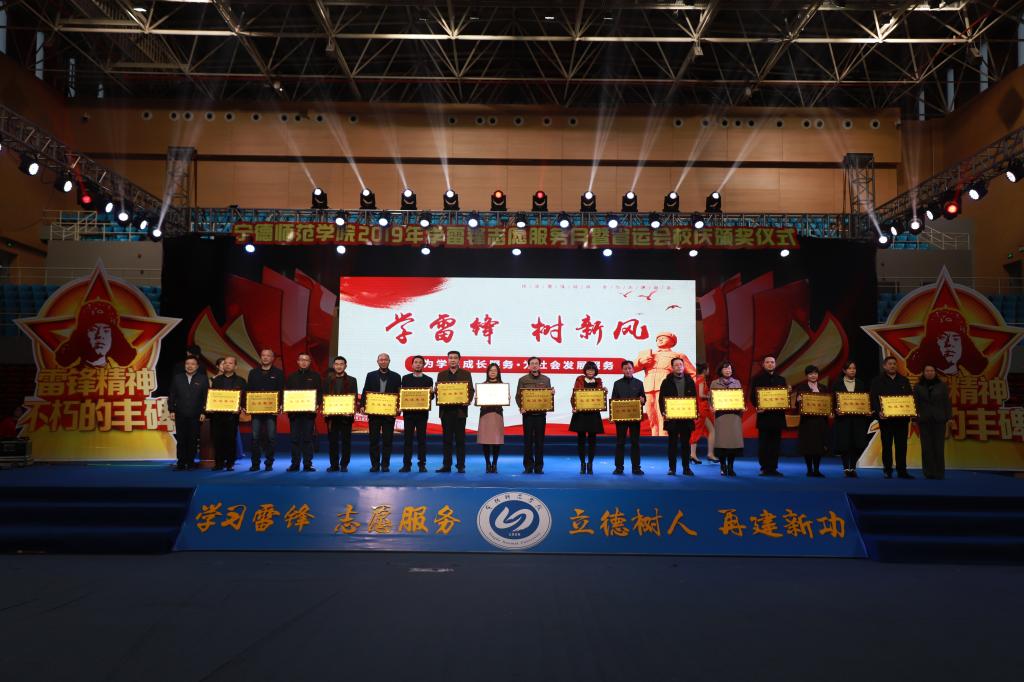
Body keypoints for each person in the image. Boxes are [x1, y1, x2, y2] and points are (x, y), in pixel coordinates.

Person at [54, 300, 137, 368]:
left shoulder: (120, 376)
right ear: (82, 336)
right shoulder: (72, 376)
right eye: (93, 330)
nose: (100, 335)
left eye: (106, 331)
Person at [906, 307, 986, 376]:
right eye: (942, 338)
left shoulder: (967, 378)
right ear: (931, 344)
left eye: (955, 338)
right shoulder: (925, 379)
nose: (949, 344)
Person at [870, 355, 914, 479]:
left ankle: (902, 470)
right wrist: (878, 412)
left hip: (901, 420)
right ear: (884, 366)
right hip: (886, 420)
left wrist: (910, 411)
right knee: (887, 445)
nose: (892, 366)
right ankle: (887, 470)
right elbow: (873, 399)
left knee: (902, 446)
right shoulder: (877, 381)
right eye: (890, 364)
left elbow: (910, 398)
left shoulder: (904, 380)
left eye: (894, 364)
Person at [636, 331, 686, 436]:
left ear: (672, 342)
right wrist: (640, 362)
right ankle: (655, 438)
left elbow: (692, 373)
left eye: (664, 337)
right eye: (658, 338)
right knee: (652, 416)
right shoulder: (648, 354)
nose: (660, 339)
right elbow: (632, 368)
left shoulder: (677, 355)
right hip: (648, 387)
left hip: (666, 387)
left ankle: (664, 439)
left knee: (663, 415)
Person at [435, 350, 474, 473]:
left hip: (460, 411)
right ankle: (446, 465)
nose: (452, 360)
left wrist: (468, 400)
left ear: (459, 360)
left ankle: (460, 465)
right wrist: (437, 392)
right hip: (446, 412)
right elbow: (439, 391)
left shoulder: (466, 374)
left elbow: (471, 390)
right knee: (447, 440)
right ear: (447, 360)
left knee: (460, 440)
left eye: (455, 358)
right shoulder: (441, 374)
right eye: (450, 357)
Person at [362, 352, 401, 472]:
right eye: (381, 360)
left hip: (389, 414)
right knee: (374, 440)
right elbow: (365, 390)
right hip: (374, 413)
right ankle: (375, 465)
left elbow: (399, 394)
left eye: (385, 360)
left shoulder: (396, 376)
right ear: (377, 361)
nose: (383, 361)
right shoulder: (370, 375)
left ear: (389, 361)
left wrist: (399, 407)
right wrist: (363, 405)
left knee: (387, 440)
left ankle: (385, 465)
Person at [245, 348, 284, 471]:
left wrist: (281, 404)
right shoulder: (253, 372)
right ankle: (255, 463)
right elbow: (248, 390)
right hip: (256, 410)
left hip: (271, 410)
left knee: (271, 437)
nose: (265, 357)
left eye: (268, 355)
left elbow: (281, 390)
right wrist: (247, 405)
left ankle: (269, 463)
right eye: (263, 355)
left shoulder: (278, 373)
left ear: (272, 358)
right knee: (255, 437)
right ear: (261, 357)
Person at [659, 356, 698, 476]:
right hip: (672, 419)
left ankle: (686, 468)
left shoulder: (690, 381)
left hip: (686, 418)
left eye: (680, 365)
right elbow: (661, 399)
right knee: (672, 445)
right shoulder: (666, 382)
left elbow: (694, 399)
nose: (679, 367)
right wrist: (664, 412)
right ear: (672, 367)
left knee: (686, 444)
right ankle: (672, 468)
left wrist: (695, 411)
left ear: (683, 366)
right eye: (676, 365)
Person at [168, 356, 208, 470]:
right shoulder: (177, 378)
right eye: (187, 364)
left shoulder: (203, 379)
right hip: (180, 413)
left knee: (193, 439)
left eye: (193, 364)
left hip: (196, 414)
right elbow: (172, 395)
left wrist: (204, 412)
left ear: (197, 366)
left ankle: (190, 462)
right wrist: (171, 410)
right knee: (181, 439)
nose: (190, 366)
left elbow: (206, 397)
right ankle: (181, 462)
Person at [750, 354, 788, 476]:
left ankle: (773, 468)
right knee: (764, 444)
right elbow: (752, 397)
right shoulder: (758, 379)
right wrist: (757, 406)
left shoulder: (781, 380)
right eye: (767, 362)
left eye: (772, 362)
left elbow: (784, 398)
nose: (770, 364)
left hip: (777, 417)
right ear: (763, 364)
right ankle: (764, 467)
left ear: (775, 364)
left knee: (776, 444)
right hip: (764, 417)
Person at [914, 364, 953, 479]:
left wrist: (949, 417)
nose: (929, 373)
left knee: (939, 447)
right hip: (924, 419)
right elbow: (915, 403)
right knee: (926, 447)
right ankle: (928, 472)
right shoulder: (918, 386)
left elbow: (946, 402)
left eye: (931, 370)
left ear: (935, 372)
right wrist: (914, 418)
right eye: (927, 371)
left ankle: (939, 472)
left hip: (939, 419)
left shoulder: (942, 386)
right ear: (923, 372)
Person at [285, 352, 321, 472]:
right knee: (294, 439)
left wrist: (317, 403)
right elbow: (287, 394)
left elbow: (319, 393)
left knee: (307, 439)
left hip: (309, 414)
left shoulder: (315, 376)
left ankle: (307, 464)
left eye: (306, 360)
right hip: (294, 414)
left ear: (310, 362)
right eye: (301, 360)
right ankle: (295, 464)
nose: (304, 362)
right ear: (298, 362)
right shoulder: (291, 377)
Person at [516, 356, 553, 474]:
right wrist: (521, 407)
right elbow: (518, 396)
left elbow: (547, 397)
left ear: (539, 365)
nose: (534, 365)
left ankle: (538, 467)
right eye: (532, 363)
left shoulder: (546, 379)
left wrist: (551, 394)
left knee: (539, 441)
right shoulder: (523, 379)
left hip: (541, 415)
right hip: (527, 416)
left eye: (536, 363)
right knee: (528, 441)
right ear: (528, 366)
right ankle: (528, 466)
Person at [833, 360, 869, 477]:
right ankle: (845, 468)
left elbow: (865, 400)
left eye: (854, 368)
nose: (852, 370)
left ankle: (852, 468)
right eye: (850, 368)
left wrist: (866, 410)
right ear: (844, 370)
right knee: (844, 444)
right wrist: (836, 410)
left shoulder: (860, 383)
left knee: (856, 444)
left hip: (858, 419)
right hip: (843, 420)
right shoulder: (837, 384)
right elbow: (832, 401)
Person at [209, 356, 245, 471]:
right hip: (217, 415)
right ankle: (218, 463)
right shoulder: (216, 380)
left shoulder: (241, 381)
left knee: (230, 439)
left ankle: (230, 463)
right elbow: (212, 396)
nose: (227, 365)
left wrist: (241, 407)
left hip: (232, 416)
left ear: (235, 366)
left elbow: (244, 398)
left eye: (230, 363)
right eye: (225, 363)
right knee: (218, 439)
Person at [610, 360, 646, 475]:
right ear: (622, 370)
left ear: (633, 369)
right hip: (621, 419)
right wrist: (614, 415)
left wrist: (642, 400)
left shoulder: (639, 383)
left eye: (630, 368)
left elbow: (643, 398)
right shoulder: (617, 383)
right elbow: (614, 400)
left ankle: (636, 468)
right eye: (625, 368)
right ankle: (619, 467)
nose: (628, 370)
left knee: (635, 443)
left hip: (635, 418)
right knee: (620, 443)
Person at [569, 361, 604, 475]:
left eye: (592, 370)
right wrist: (574, 406)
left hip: (593, 415)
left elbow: (600, 399)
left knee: (592, 441)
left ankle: (590, 464)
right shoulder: (579, 380)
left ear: (595, 371)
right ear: (585, 371)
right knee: (581, 441)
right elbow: (574, 396)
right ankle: (582, 464)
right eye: (588, 369)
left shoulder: (598, 381)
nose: (590, 372)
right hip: (581, 415)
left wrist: (604, 393)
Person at [793, 364, 829, 477]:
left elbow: (828, 404)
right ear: (807, 375)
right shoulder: (802, 388)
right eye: (810, 373)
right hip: (807, 422)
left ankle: (817, 470)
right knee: (808, 446)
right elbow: (797, 406)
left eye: (815, 373)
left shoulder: (823, 388)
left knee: (818, 446)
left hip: (820, 422)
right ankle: (809, 469)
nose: (813, 375)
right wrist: (798, 400)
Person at [324, 355, 358, 472]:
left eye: (341, 364)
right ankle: (334, 465)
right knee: (333, 442)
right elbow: (324, 397)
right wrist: (325, 409)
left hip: (346, 417)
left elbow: (354, 398)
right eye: (337, 364)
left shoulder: (352, 380)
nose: (339, 366)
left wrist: (351, 410)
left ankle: (344, 464)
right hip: (331, 417)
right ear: (334, 366)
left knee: (346, 442)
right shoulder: (327, 380)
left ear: (345, 366)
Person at [400, 355, 434, 473]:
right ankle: (406, 465)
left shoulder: (428, 379)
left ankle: (422, 465)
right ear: (412, 365)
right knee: (407, 440)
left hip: (422, 415)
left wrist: (432, 393)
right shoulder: (405, 378)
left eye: (420, 362)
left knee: (421, 440)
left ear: (423, 365)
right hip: (408, 414)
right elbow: (402, 395)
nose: (418, 364)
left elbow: (430, 398)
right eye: (416, 362)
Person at [710, 360, 743, 476]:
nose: (728, 370)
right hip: (721, 416)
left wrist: (741, 406)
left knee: (732, 443)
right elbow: (711, 399)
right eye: (725, 368)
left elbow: (740, 398)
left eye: (729, 368)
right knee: (722, 443)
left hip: (734, 416)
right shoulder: (714, 383)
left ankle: (731, 466)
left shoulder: (737, 382)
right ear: (721, 370)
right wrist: (712, 407)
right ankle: (723, 466)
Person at [477, 362, 505, 473]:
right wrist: (477, 399)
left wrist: (506, 398)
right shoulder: (482, 385)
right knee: (486, 440)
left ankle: (495, 463)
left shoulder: (502, 386)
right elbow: (478, 402)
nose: (492, 372)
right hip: (485, 415)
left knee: (496, 441)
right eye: (490, 370)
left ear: (498, 372)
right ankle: (488, 463)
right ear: (487, 372)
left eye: (495, 370)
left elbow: (505, 400)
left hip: (497, 414)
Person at [689, 362, 717, 465]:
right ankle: (709, 454)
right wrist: (710, 396)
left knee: (701, 430)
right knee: (710, 430)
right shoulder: (701, 379)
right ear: (705, 370)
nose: (709, 371)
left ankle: (695, 455)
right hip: (702, 409)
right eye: (708, 369)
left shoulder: (699, 379)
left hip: (702, 408)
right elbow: (701, 395)